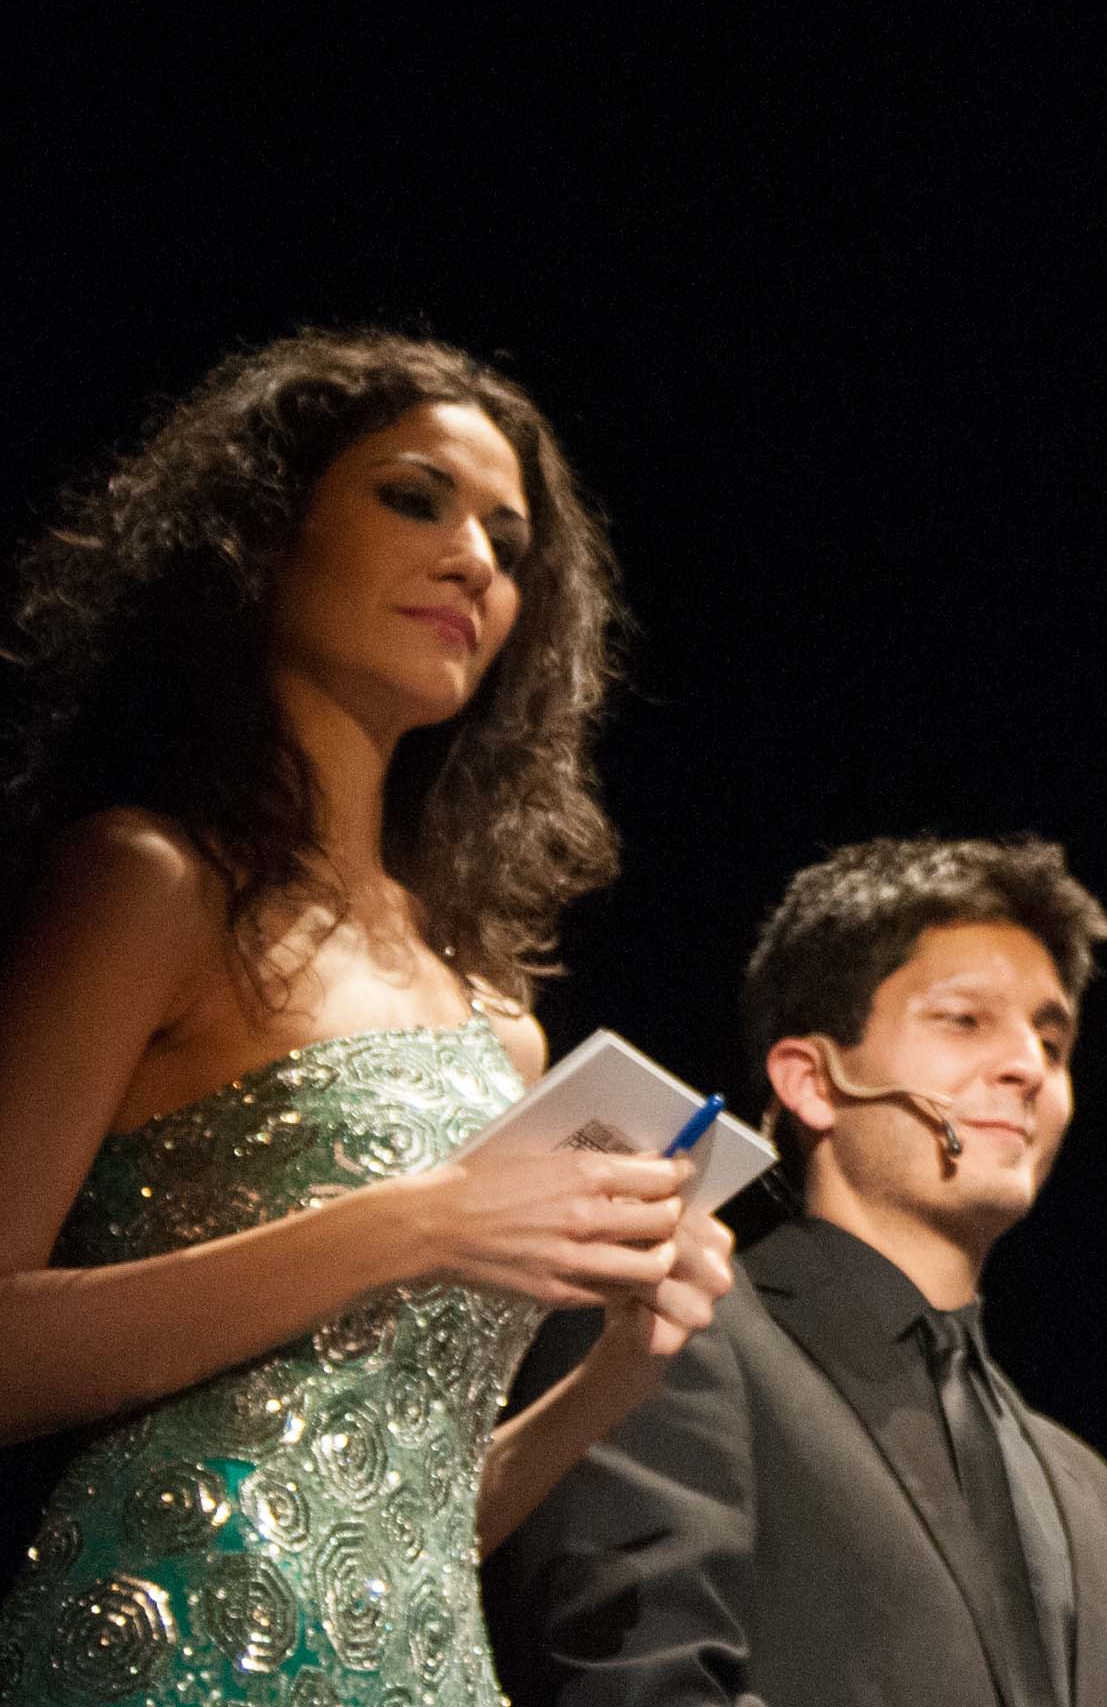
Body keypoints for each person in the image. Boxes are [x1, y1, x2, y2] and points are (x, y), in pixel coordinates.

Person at [0, 329, 736, 1706]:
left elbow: (405, 1523)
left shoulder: (499, 1022)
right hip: (168, 1653)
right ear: (259, 532)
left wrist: (616, 1379)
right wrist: (421, 1221)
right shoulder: (151, 885)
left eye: (509, 547)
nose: (475, 564)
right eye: (415, 499)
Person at [484, 834, 1107, 1707]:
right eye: (965, 1020)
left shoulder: (1098, 1505)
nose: (1028, 1066)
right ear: (812, 1081)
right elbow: (639, 1685)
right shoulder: (668, 1333)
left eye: (1053, 1042)